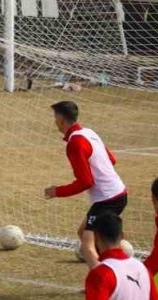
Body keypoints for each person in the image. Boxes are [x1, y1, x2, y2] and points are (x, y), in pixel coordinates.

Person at [44, 101, 127, 269]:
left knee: (87, 240)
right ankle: (115, 267)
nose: (55, 122)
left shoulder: (75, 143)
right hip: (119, 192)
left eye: (55, 118)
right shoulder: (89, 132)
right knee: (93, 235)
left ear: (60, 120)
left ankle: (106, 279)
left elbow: (85, 182)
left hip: (107, 199)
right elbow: (112, 159)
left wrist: (57, 191)